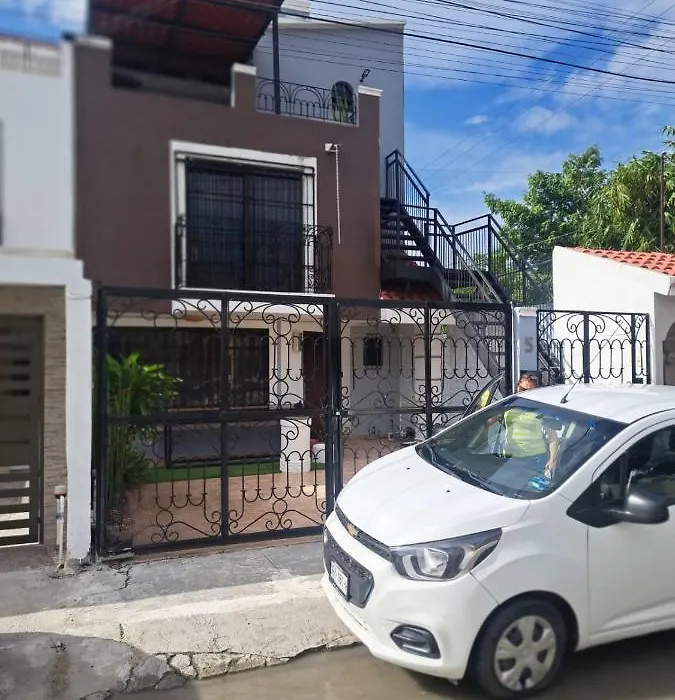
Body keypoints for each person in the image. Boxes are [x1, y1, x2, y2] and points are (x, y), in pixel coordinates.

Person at [502, 373, 559, 480]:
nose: (525, 393)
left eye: (530, 391)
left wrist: (552, 460)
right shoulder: (510, 404)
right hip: (510, 457)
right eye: (522, 389)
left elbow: (552, 437)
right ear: (517, 387)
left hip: (533, 458)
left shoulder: (542, 409)